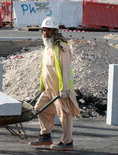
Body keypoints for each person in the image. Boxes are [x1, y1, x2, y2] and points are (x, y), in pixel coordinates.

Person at [28, 17, 80, 151]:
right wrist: (42, 86)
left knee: (64, 115)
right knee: (40, 108)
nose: (45, 33)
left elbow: (65, 69)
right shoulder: (47, 47)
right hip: (48, 88)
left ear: (54, 31)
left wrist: (65, 89)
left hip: (60, 89)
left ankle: (67, 143)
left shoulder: (62, 48)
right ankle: (45, 136)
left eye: (48, 30)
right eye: (43, 30)